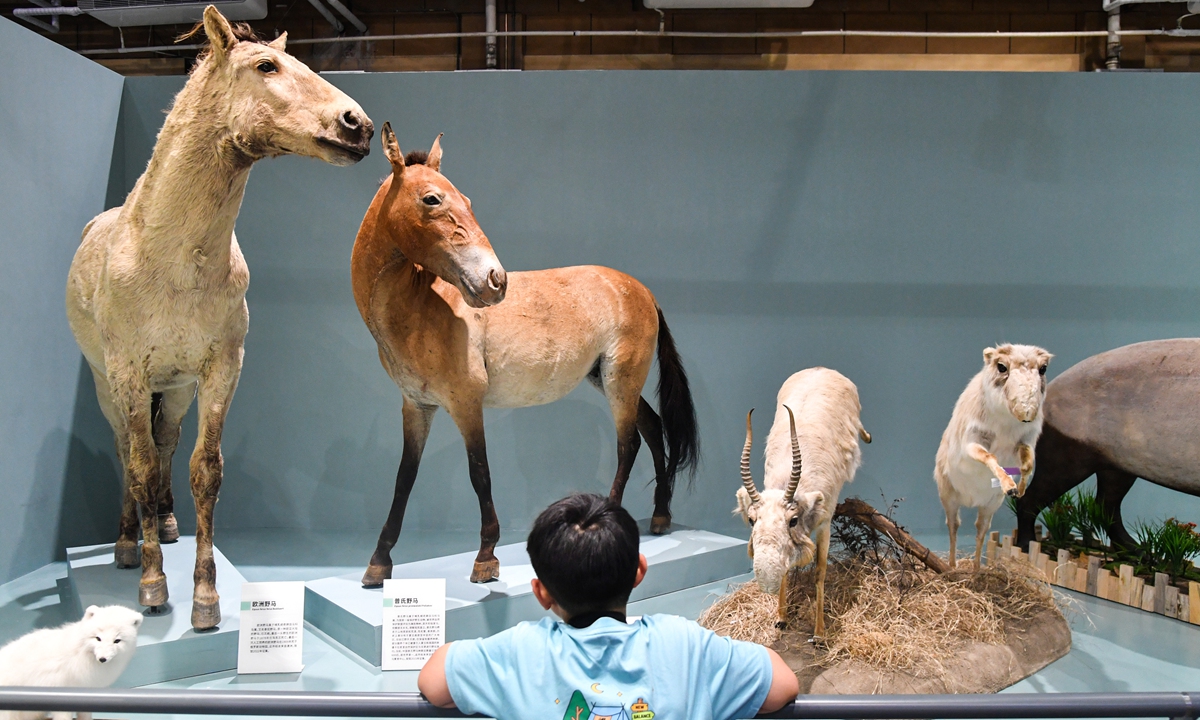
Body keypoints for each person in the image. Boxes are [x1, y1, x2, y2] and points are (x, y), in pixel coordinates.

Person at [418, 493, 800, 720]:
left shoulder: (520, 651)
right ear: (639, 571)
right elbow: (783, 684)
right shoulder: (683, 643)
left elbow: (434, 680)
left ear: (541, 593)